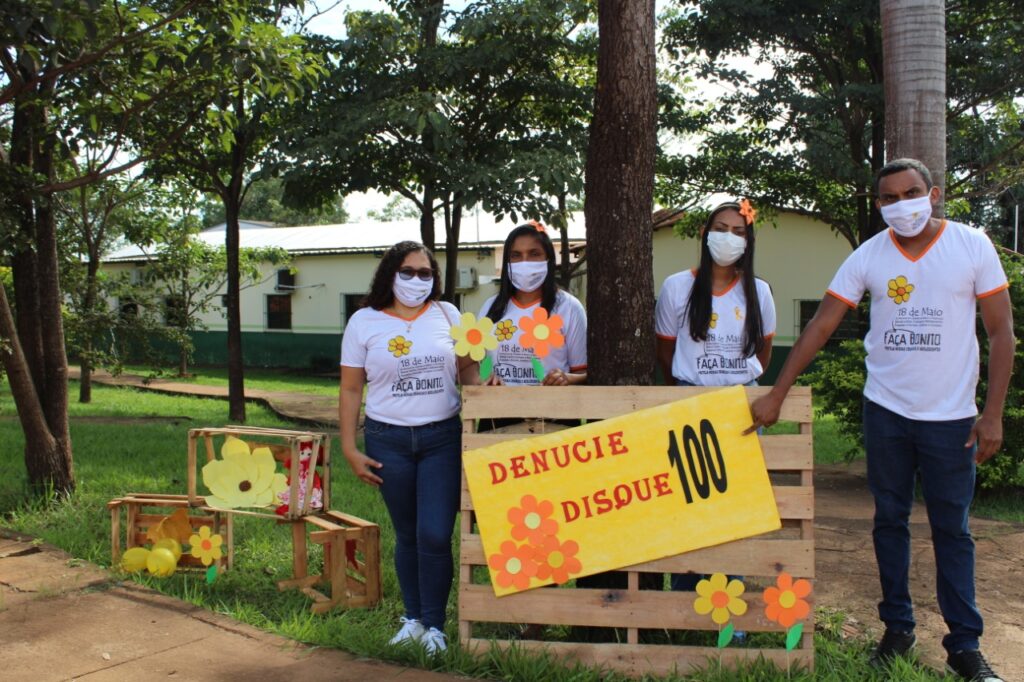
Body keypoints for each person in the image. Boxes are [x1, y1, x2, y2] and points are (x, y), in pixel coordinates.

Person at [748, 159, 1013, 682]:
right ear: (878, 205)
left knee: (952, 530)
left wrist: (993, 414)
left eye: (911, 193)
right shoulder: (869, 255)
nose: (901, 204)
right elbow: (822, 324)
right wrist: (777, 392)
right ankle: (897, 629)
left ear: (933, 194)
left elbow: (1001, 331)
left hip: (951, 418)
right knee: (889, 521)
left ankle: (964, 645)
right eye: (889, 198)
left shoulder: (971, 245)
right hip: (886, 412)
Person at [339, 241, 477, 655]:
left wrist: (486, 384)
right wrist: (349, 448)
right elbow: (350, 388)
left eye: (425, 273)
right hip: (388, 440)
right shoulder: (364, 321)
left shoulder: (448, 315)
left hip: (442, 439)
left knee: (435, 534)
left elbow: (467, 371)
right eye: (408, 271)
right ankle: (413, 619)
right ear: (390, 274)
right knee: (408, 534)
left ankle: (435, 627)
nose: (417, 280)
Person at [654, 199, 775, 597]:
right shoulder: (677, 287)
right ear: (704, 234)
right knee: (689, 502)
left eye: (739, 232)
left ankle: (727, 605)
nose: (729, 238)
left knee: (732, 510)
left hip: (740, 409)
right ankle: (684, 600)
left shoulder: (759, 291)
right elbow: (666, 351)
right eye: (721, 229)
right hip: (690, 402)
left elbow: (763, 354)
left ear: (749, 241)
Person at [480, 221, 587, 389]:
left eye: (534, 254)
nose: (525, 262)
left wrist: (566, 379)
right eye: (516, 255)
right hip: (499, 406)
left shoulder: (569, 307)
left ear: (548, 259)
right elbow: (477, 368)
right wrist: (487, 380)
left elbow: (583, 372)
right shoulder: (490, 307)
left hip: (553, 405)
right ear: (507, 262)